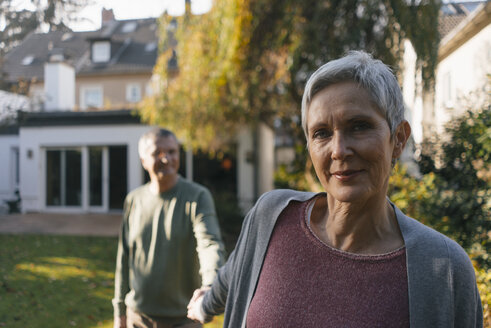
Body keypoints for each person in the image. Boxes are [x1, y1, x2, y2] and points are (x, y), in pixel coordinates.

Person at [187, 51, 483, 327]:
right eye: (322, 133)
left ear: (399, 139)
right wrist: (205, 305)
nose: (339, 150)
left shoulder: (443, 267)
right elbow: (234, 272)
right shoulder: (272, 217)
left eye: (359, 126)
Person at [113, 128, 225, 328]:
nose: (166, 159)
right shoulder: (134, 200)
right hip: (137, 319)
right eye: (157, 153)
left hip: (184, 320)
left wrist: (210, 286)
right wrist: (119, 312)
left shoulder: (197, 197)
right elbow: (124, 259)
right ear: (143, 160)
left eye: (172, 152)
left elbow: (209, 244)